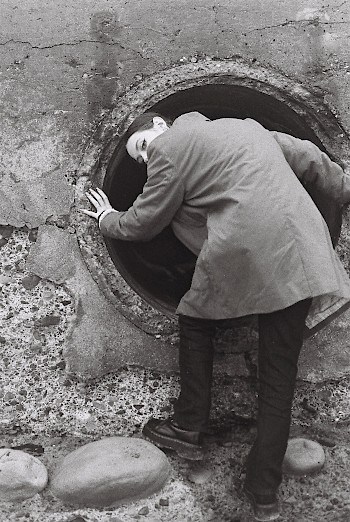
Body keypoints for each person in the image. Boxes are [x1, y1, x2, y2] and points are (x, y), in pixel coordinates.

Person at [81, 110, 350, 521]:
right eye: (139, 159)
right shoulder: (246, 126)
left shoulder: (168, 148)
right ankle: (264, 495)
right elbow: (307, 156)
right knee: (278, 379)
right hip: (301, 256)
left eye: (140, 148)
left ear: (158, 125)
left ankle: (188, 425)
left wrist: (107, 219)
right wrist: (345, 187)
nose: (145, 159)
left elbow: (145, 221)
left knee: (193, 319)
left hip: (245, 254)